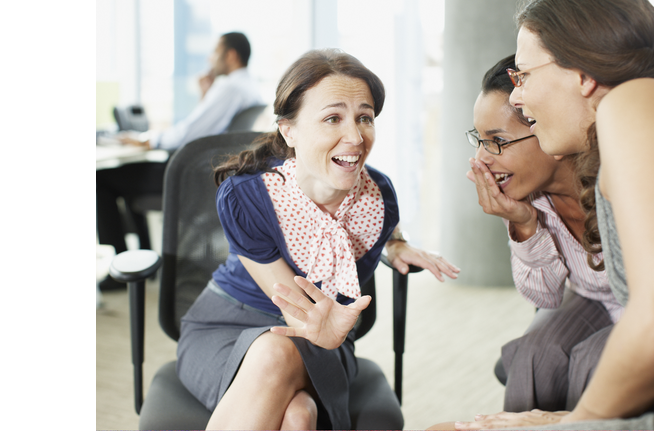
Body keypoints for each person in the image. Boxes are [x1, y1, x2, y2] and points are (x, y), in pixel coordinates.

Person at [176, 49, 461, 430]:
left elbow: (371, 221)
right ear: (288, 130)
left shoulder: (379, 197)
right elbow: (297, 309)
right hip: (228, 324)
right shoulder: (247, 196)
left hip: (323, 339)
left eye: (364, 117)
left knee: (279, 359)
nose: (356, 136)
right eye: (332, 118)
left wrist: (394, 244)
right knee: (297, 414)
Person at [431, 0, 654, 429]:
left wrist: (568, 423)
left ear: (581, 72)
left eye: (522, 75)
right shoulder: (617, 137)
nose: (518, 96)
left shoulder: (633, 101)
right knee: (536, 352)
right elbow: (548, 298)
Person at [465, 54, 624, 414]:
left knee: (593, 362)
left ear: (547, 128)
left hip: (651, 305)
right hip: (590, 298)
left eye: (497, 141)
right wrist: (524, 225)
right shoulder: (530, 198)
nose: (481, 159)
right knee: (533, 353)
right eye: (479, 139)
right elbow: (545, 297)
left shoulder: (617, 180)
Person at [97, 32, 264, 290]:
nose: (211, 59)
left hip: (186, 177)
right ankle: (140, 262)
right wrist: (205, 95)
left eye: (215, 53)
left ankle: (121, 271)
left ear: (230, 55)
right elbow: (207, 131)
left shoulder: (229, 87)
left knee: (101, 179)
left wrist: (146, 140)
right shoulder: (248, 87)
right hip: (206, 175)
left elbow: (189, 133)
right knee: (128, 181)